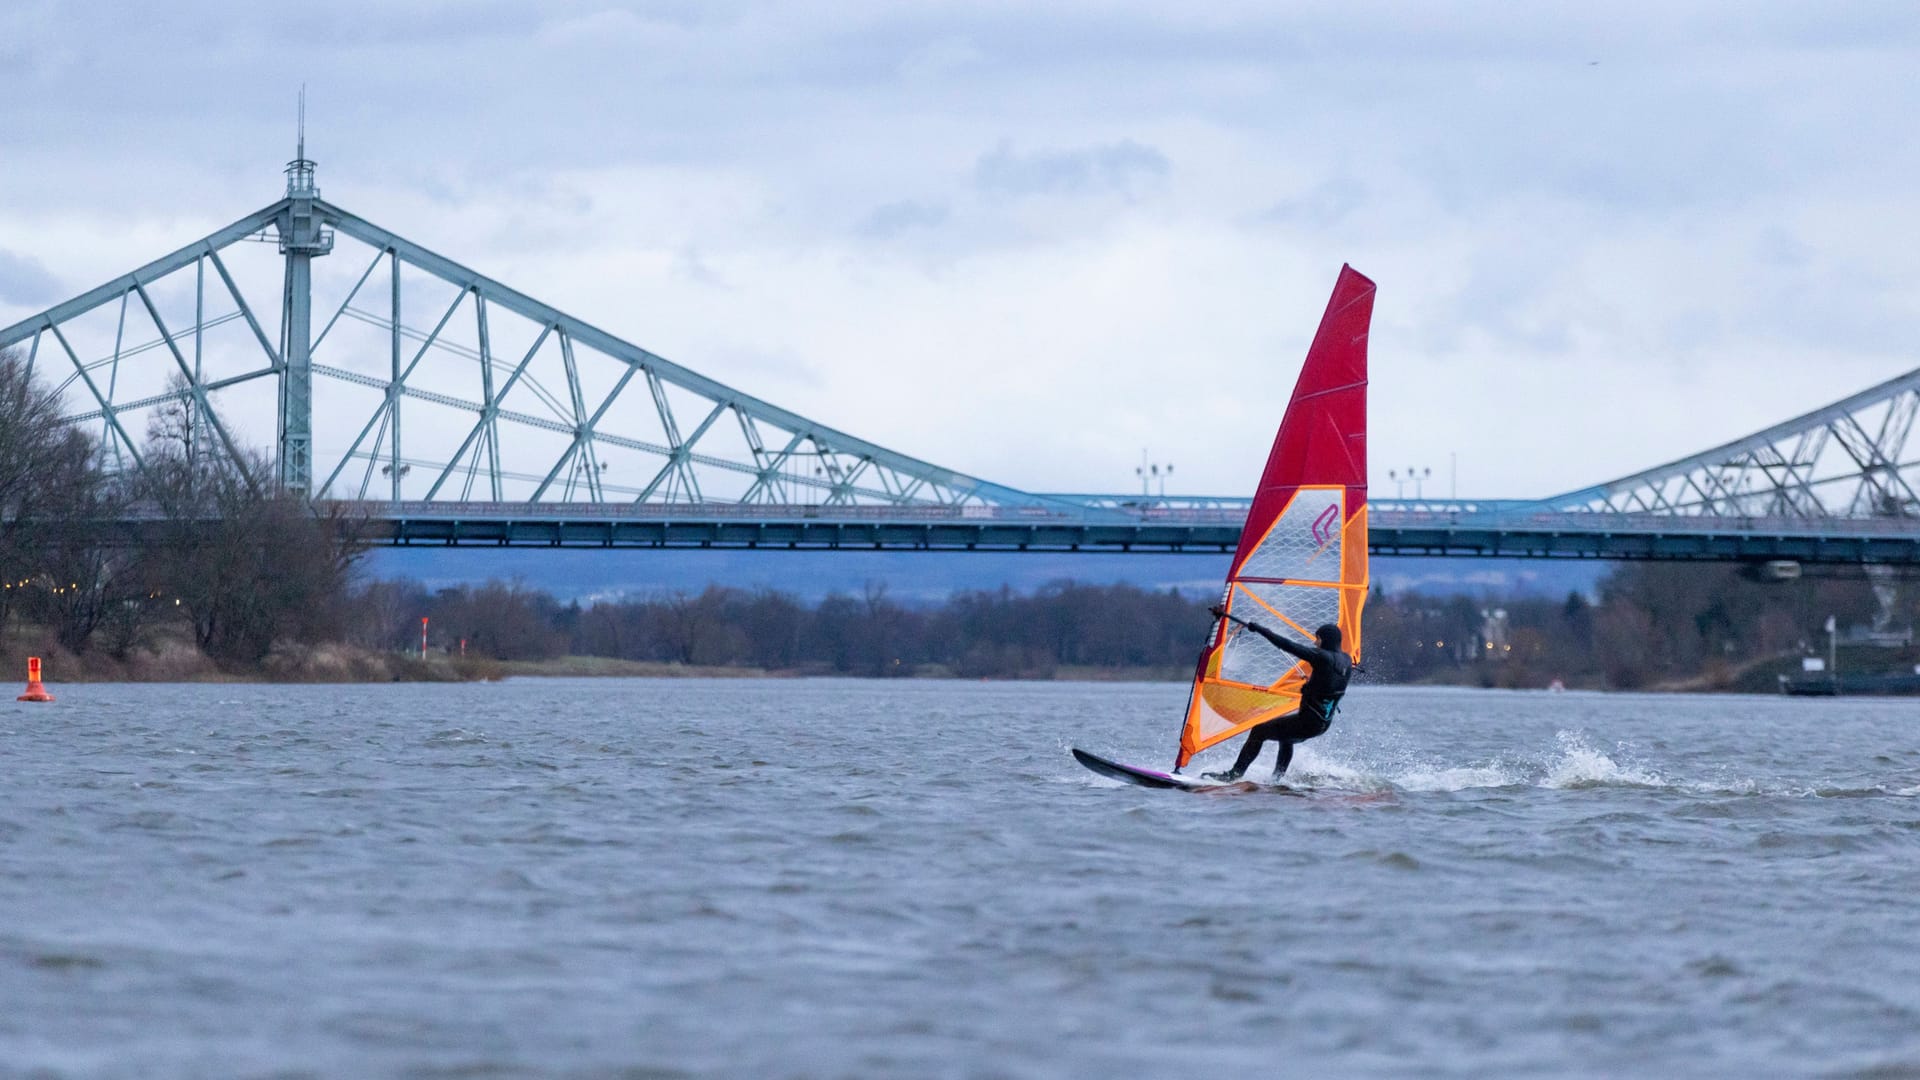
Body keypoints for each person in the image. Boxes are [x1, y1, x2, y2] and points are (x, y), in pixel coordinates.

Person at [1201, 607, 1352, 782]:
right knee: (1286, 736)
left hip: (1308, 722)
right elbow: (1328, 682)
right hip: (1322, 724)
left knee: (1259, 731)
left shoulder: (1322, 657)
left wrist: (1261, 630)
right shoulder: (1346, 660)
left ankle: (1234, 774)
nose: (1315, 643)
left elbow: (1288, 646)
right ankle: (1277, 779)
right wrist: (1311, 683)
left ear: (1324, 640)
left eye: (1317, 639)